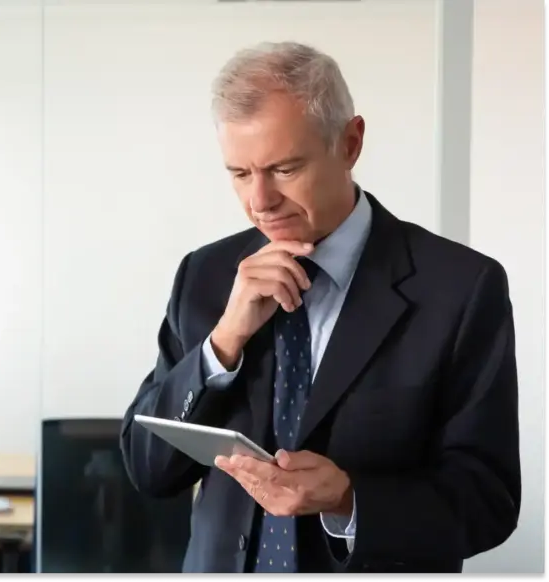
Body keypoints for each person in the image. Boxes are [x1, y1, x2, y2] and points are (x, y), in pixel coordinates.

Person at [119, 41, 520, 574]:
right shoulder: (205, 276)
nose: (260, 201)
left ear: (350, 143)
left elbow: (488, 501)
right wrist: (222, 344)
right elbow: (148, 469)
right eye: (240, 173)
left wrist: (350, 500)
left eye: (284, 169)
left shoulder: (463, 288)